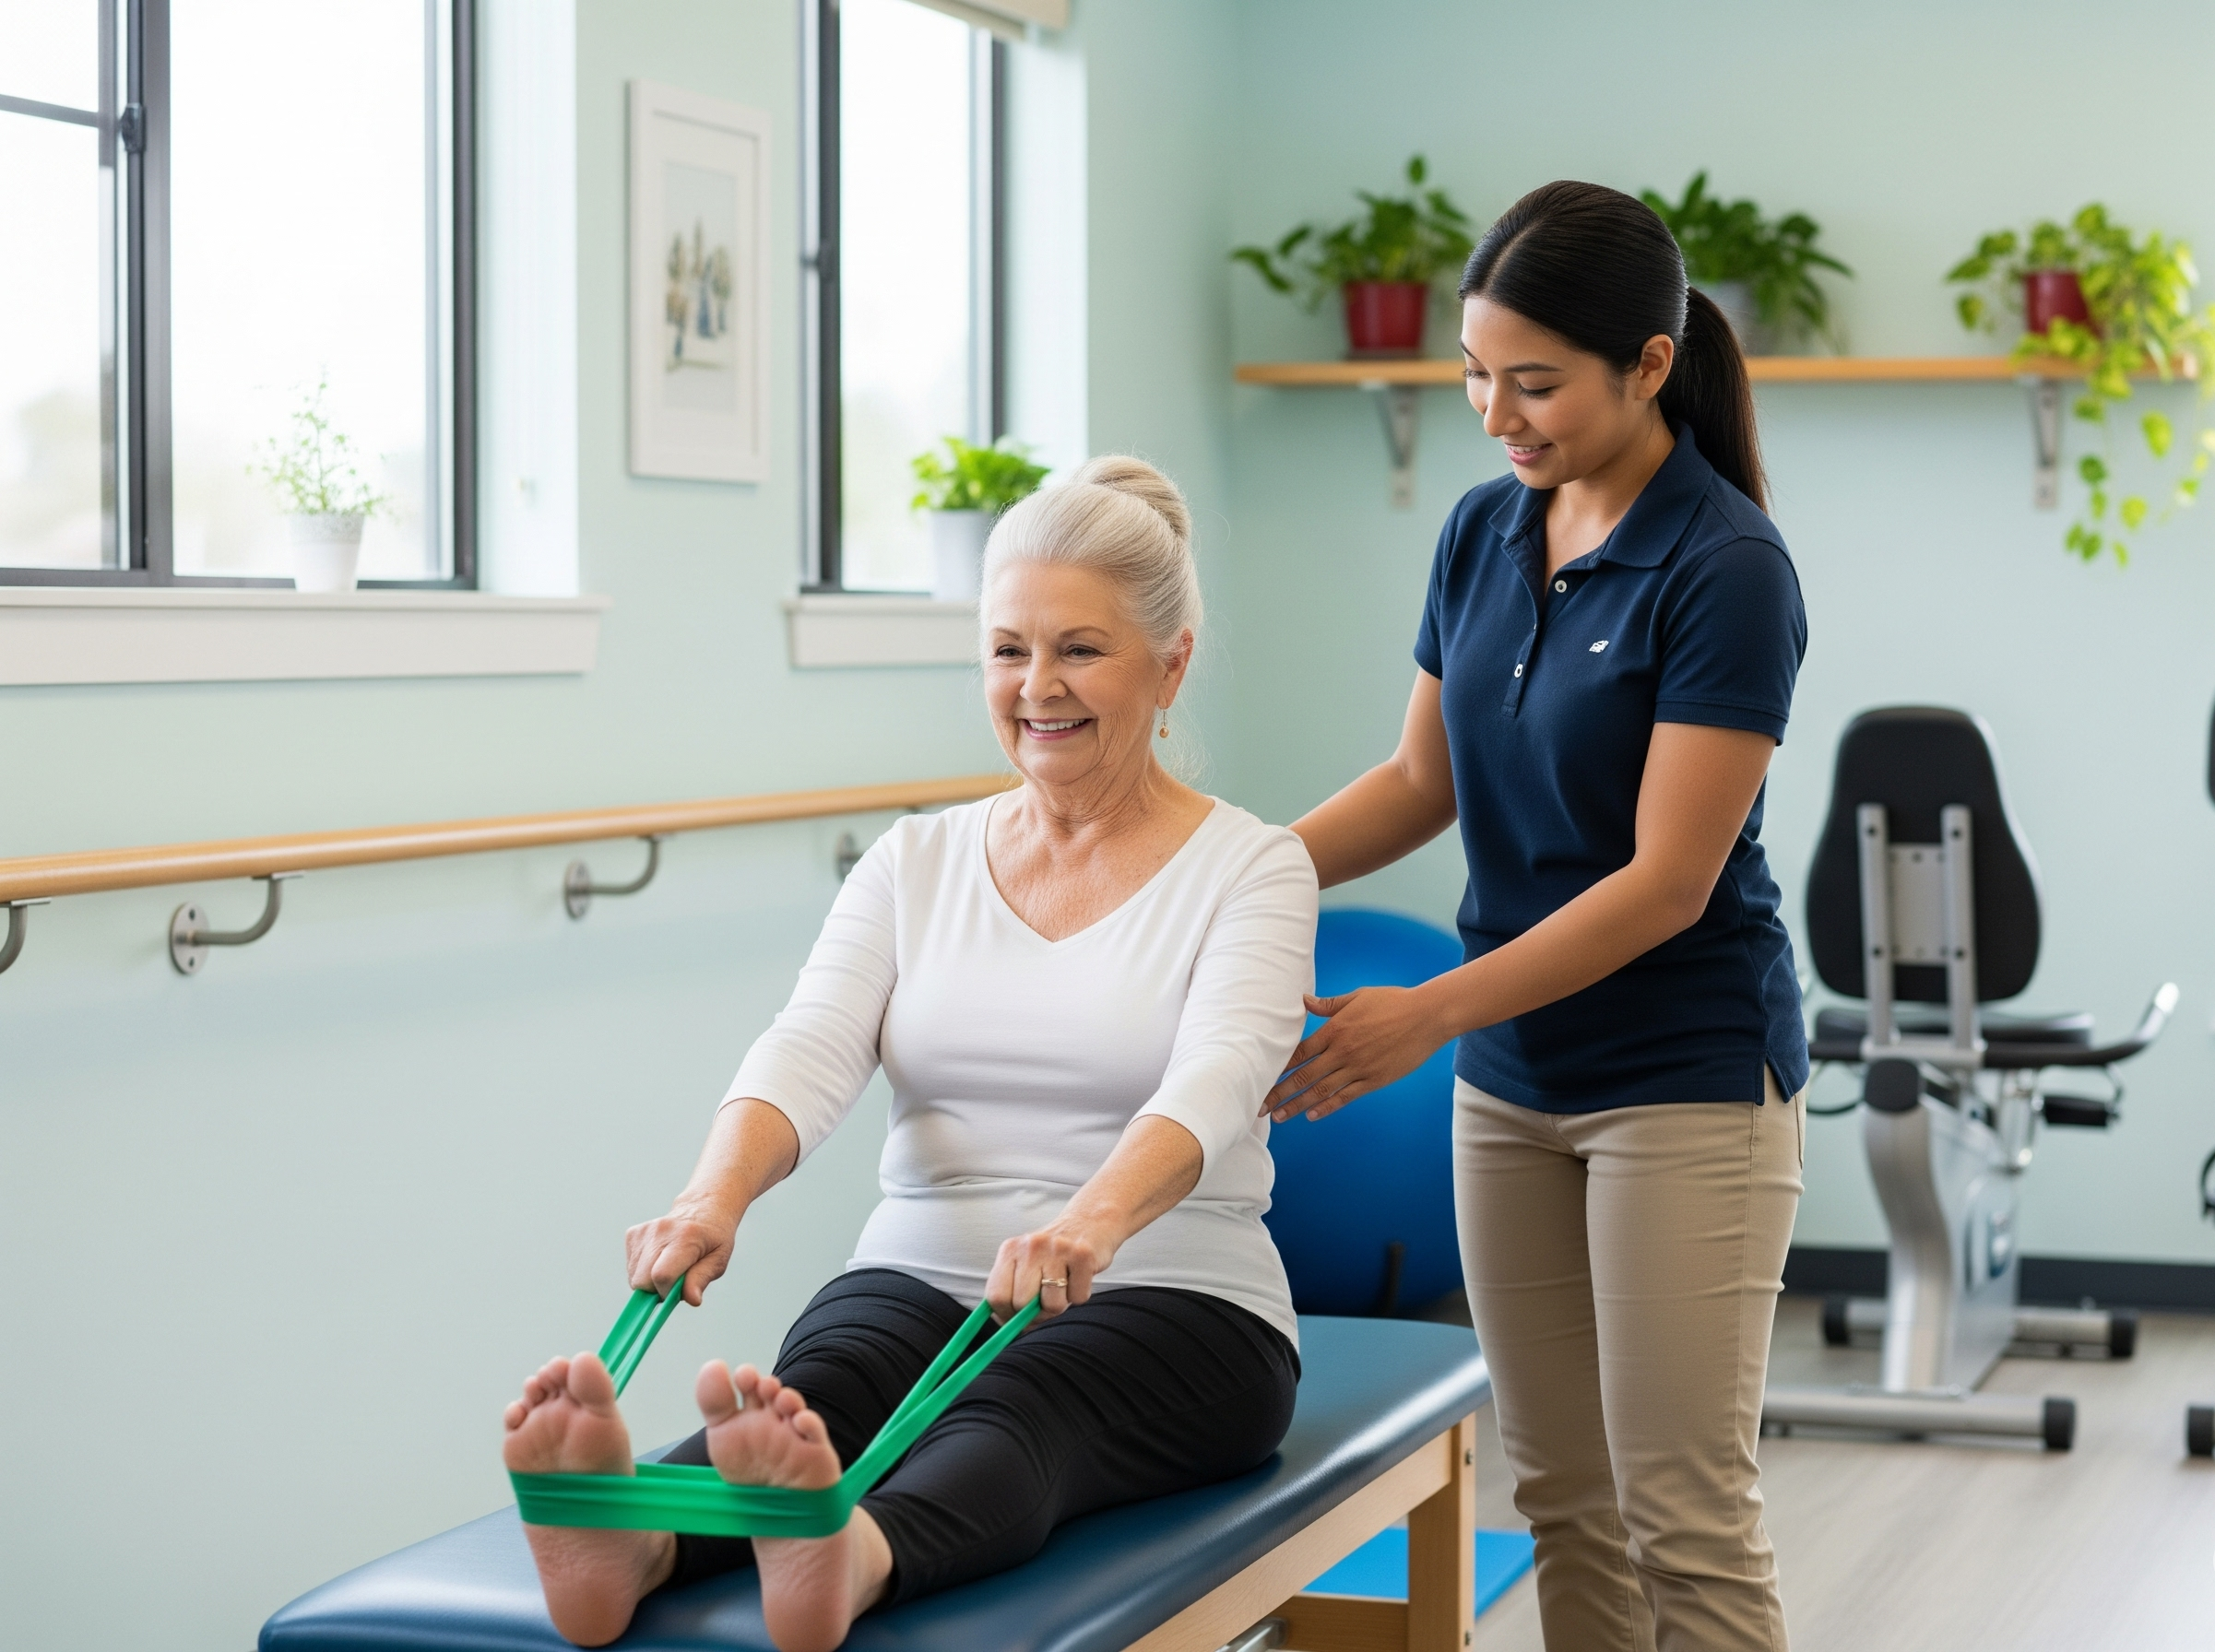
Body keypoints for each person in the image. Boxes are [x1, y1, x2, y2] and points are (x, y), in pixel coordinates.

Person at [501, 456, 1316, 1652]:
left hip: (1172, 1294)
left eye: (1079, 650)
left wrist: (1089, 1224)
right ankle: (638, 1541)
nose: (1037, 687)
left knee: (1017, 1402)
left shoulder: (1250, 866)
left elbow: (1222, 1073)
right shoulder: (914, 861)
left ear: (1170, 662)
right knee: (816, 1391)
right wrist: (709, 1199)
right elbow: (811, 1045)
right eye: (1006, 649)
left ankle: (851, 1555)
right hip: (921, 1266)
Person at [1271, 181, 1808, 1652]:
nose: (1495, 413)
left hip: (1681, 1081)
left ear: (1648, 365)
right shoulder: (1481, 533)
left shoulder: (1727, 569)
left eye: (1534, 382)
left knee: (1680, 1510)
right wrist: (1231, 878)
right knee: (1563, 1493)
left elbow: (1665, 884)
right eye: (1471, 375)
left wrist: (1427, 1014)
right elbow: (1412, 782)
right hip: (1514, 1086)